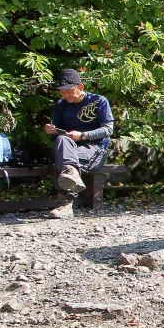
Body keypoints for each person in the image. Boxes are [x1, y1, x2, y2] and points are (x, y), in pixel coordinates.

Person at [43, 69, 115, 219]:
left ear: (80, 87)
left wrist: (83, 135)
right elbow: (57, 135)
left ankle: (65, 205)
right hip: (69, 148)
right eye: (62, 92)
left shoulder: (99, 101)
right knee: (63, 145)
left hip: (95, 149)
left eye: (69, 91)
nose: (65, 95)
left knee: (64, 160)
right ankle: (69, 175)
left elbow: (108, 129)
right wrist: (51, 131)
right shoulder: (61, 105)